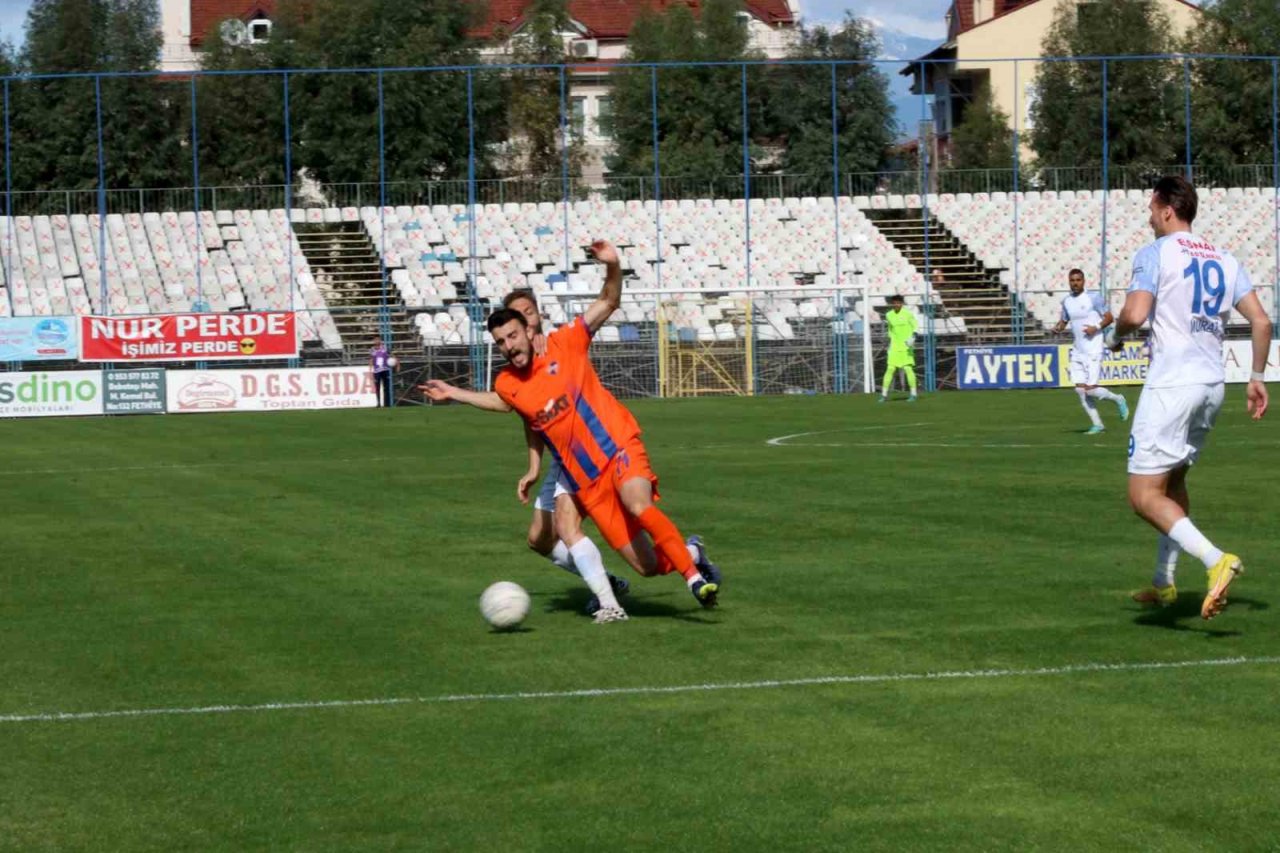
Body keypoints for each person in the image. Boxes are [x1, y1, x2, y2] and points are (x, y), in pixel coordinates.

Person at [422, 240, 722, 610]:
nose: (509, 345)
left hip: (617, 446)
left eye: (514, 334)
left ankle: (682, 584)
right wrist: (454, 392)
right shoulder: (508, 383)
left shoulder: (568, 341)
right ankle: (690, 553)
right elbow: (509, 406)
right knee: (646, 566)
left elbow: (608, 302)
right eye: (501, 341)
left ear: (530, 329)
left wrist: (613, 265)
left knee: (636, 504)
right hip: (584, 478)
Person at [1110, 176, 1271, 620]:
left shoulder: (1155, 253)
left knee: (1142, 495)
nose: (1148, 217)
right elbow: (1261, 321)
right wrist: (1256, 377)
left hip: (1172, 384)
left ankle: (1215, 559)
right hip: (1211, 385)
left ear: (1165, 209)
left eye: (1150, 208)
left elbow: (1136, 314)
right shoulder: (1223, 257)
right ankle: (1164, 583)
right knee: (1174, 483)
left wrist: (1117, 333)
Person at [502, 288, 631, 622]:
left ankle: (608, 600)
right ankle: (611, 584)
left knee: (570, 525)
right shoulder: (518, 367)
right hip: (561, 459)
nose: (526, 320)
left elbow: (504, 403)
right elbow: (528, 417)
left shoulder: (554, 345)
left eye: (529, 312)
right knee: (539, 539)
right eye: (518, 316)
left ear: (537, 316)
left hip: (587, 450)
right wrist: (533, 467)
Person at [1052, 268, 1129, 434]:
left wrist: (1095, 328)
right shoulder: (1066, 301)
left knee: (1091, 389)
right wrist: (1058, 328)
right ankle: (1098, 425)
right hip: (1078, 349)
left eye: (1078, 280)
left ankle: (1118, 399)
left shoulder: (1093, 298)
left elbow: (1109, 318)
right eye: (1072, 280)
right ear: (1069, 282)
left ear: (1084, 281)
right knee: (1080, 390)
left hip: (1093, 348)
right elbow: (1064, 321)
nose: (1075, 283)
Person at [879, 294, 918, 402]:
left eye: (898, 303)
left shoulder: (908, 314)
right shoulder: (889, 315)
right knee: (890, 369)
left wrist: (914, 336)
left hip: (907, 346)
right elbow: (890, 330)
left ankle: (913, 394)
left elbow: (915, 326)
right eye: (894, 303)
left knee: (908, 369)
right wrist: (890, 340)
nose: (896, 304)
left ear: (902, 303)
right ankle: (883, 395)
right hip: (894, 347)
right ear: (892, 303)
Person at [370, 337, 394, 408]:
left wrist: (397, 363)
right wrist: (370, 370)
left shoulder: (385, 348)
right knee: (377, 387)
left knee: (386, 387)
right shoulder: (372, 350)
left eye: (378, 340)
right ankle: (378, 403)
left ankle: (387, 403)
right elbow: (371, 360)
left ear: (380, 341)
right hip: (377, 371)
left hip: (385, 370)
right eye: (375, 340)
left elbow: (392, 356)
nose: (376, 341)